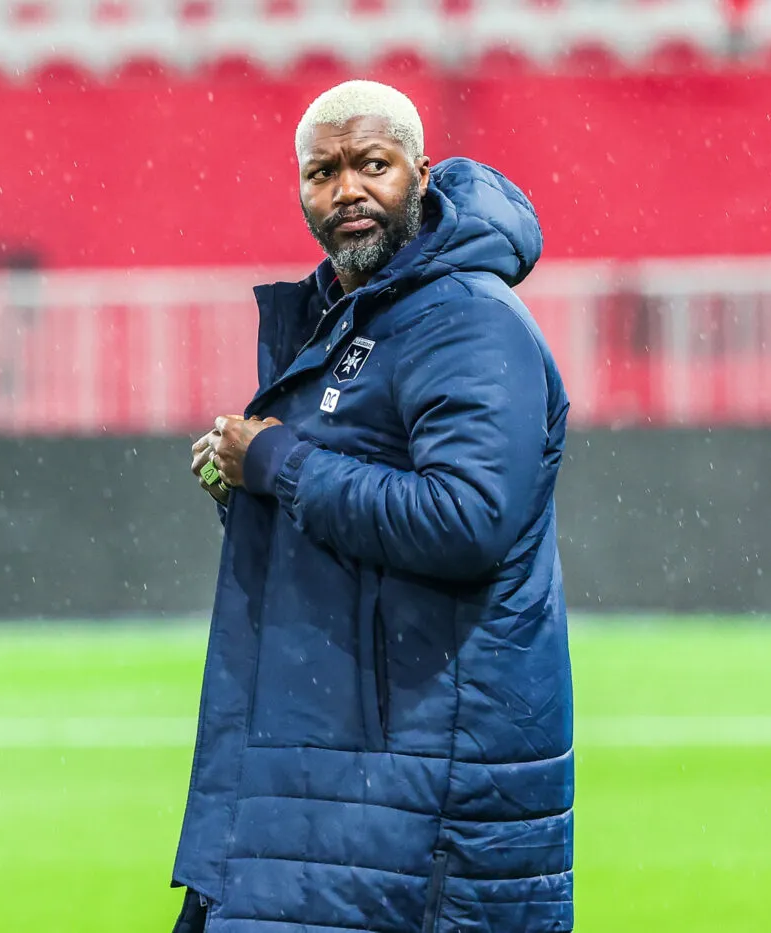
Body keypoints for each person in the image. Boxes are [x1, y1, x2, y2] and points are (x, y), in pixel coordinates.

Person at [173, 80, 573, 933]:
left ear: (422, 174)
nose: (347, 189)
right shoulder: (347, 318)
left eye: (372, 165)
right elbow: (344, 517)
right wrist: (247, 490)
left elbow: (464, 520)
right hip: (330, 782)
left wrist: (277, 460)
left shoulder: (467, 319)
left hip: (414, 797)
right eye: (323, 172)